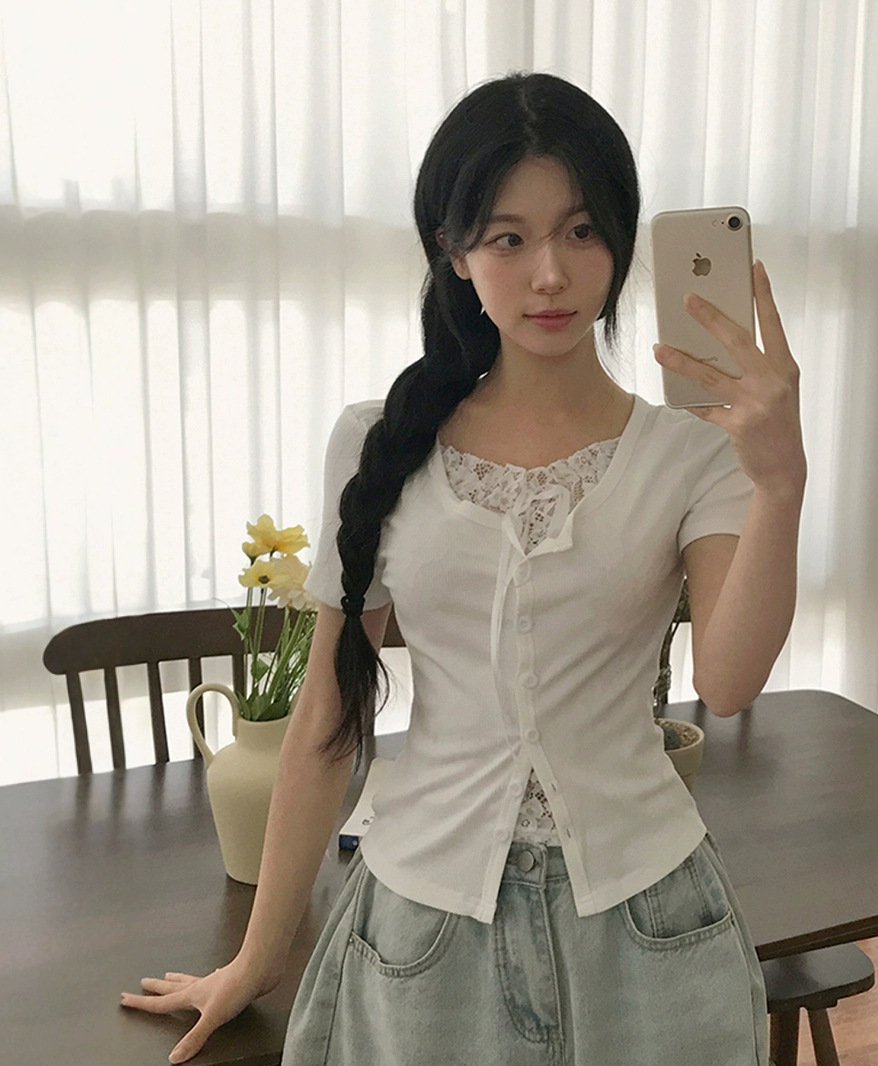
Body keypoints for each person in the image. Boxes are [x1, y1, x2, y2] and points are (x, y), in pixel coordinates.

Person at [121, 71, 804, 1066]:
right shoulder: (378, 443)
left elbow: (731, 683)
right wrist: (256, 958)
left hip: (650, 920)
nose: (549, 275)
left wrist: (780, 485)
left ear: (621, 240)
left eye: (580, 231)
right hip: (422, 925)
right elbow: (325, 717)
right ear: (453, 251)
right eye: (507, 237)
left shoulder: (694, 450)